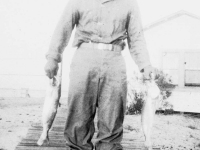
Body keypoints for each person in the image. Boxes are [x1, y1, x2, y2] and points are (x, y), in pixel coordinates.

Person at [44, 0, 155, 149]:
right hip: (84, 58)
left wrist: (145, 65)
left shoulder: (129, 4)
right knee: (78, 116)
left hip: (114, 61)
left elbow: (137, 38)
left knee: (112, 117)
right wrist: (53, 57)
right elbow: (62, 29)